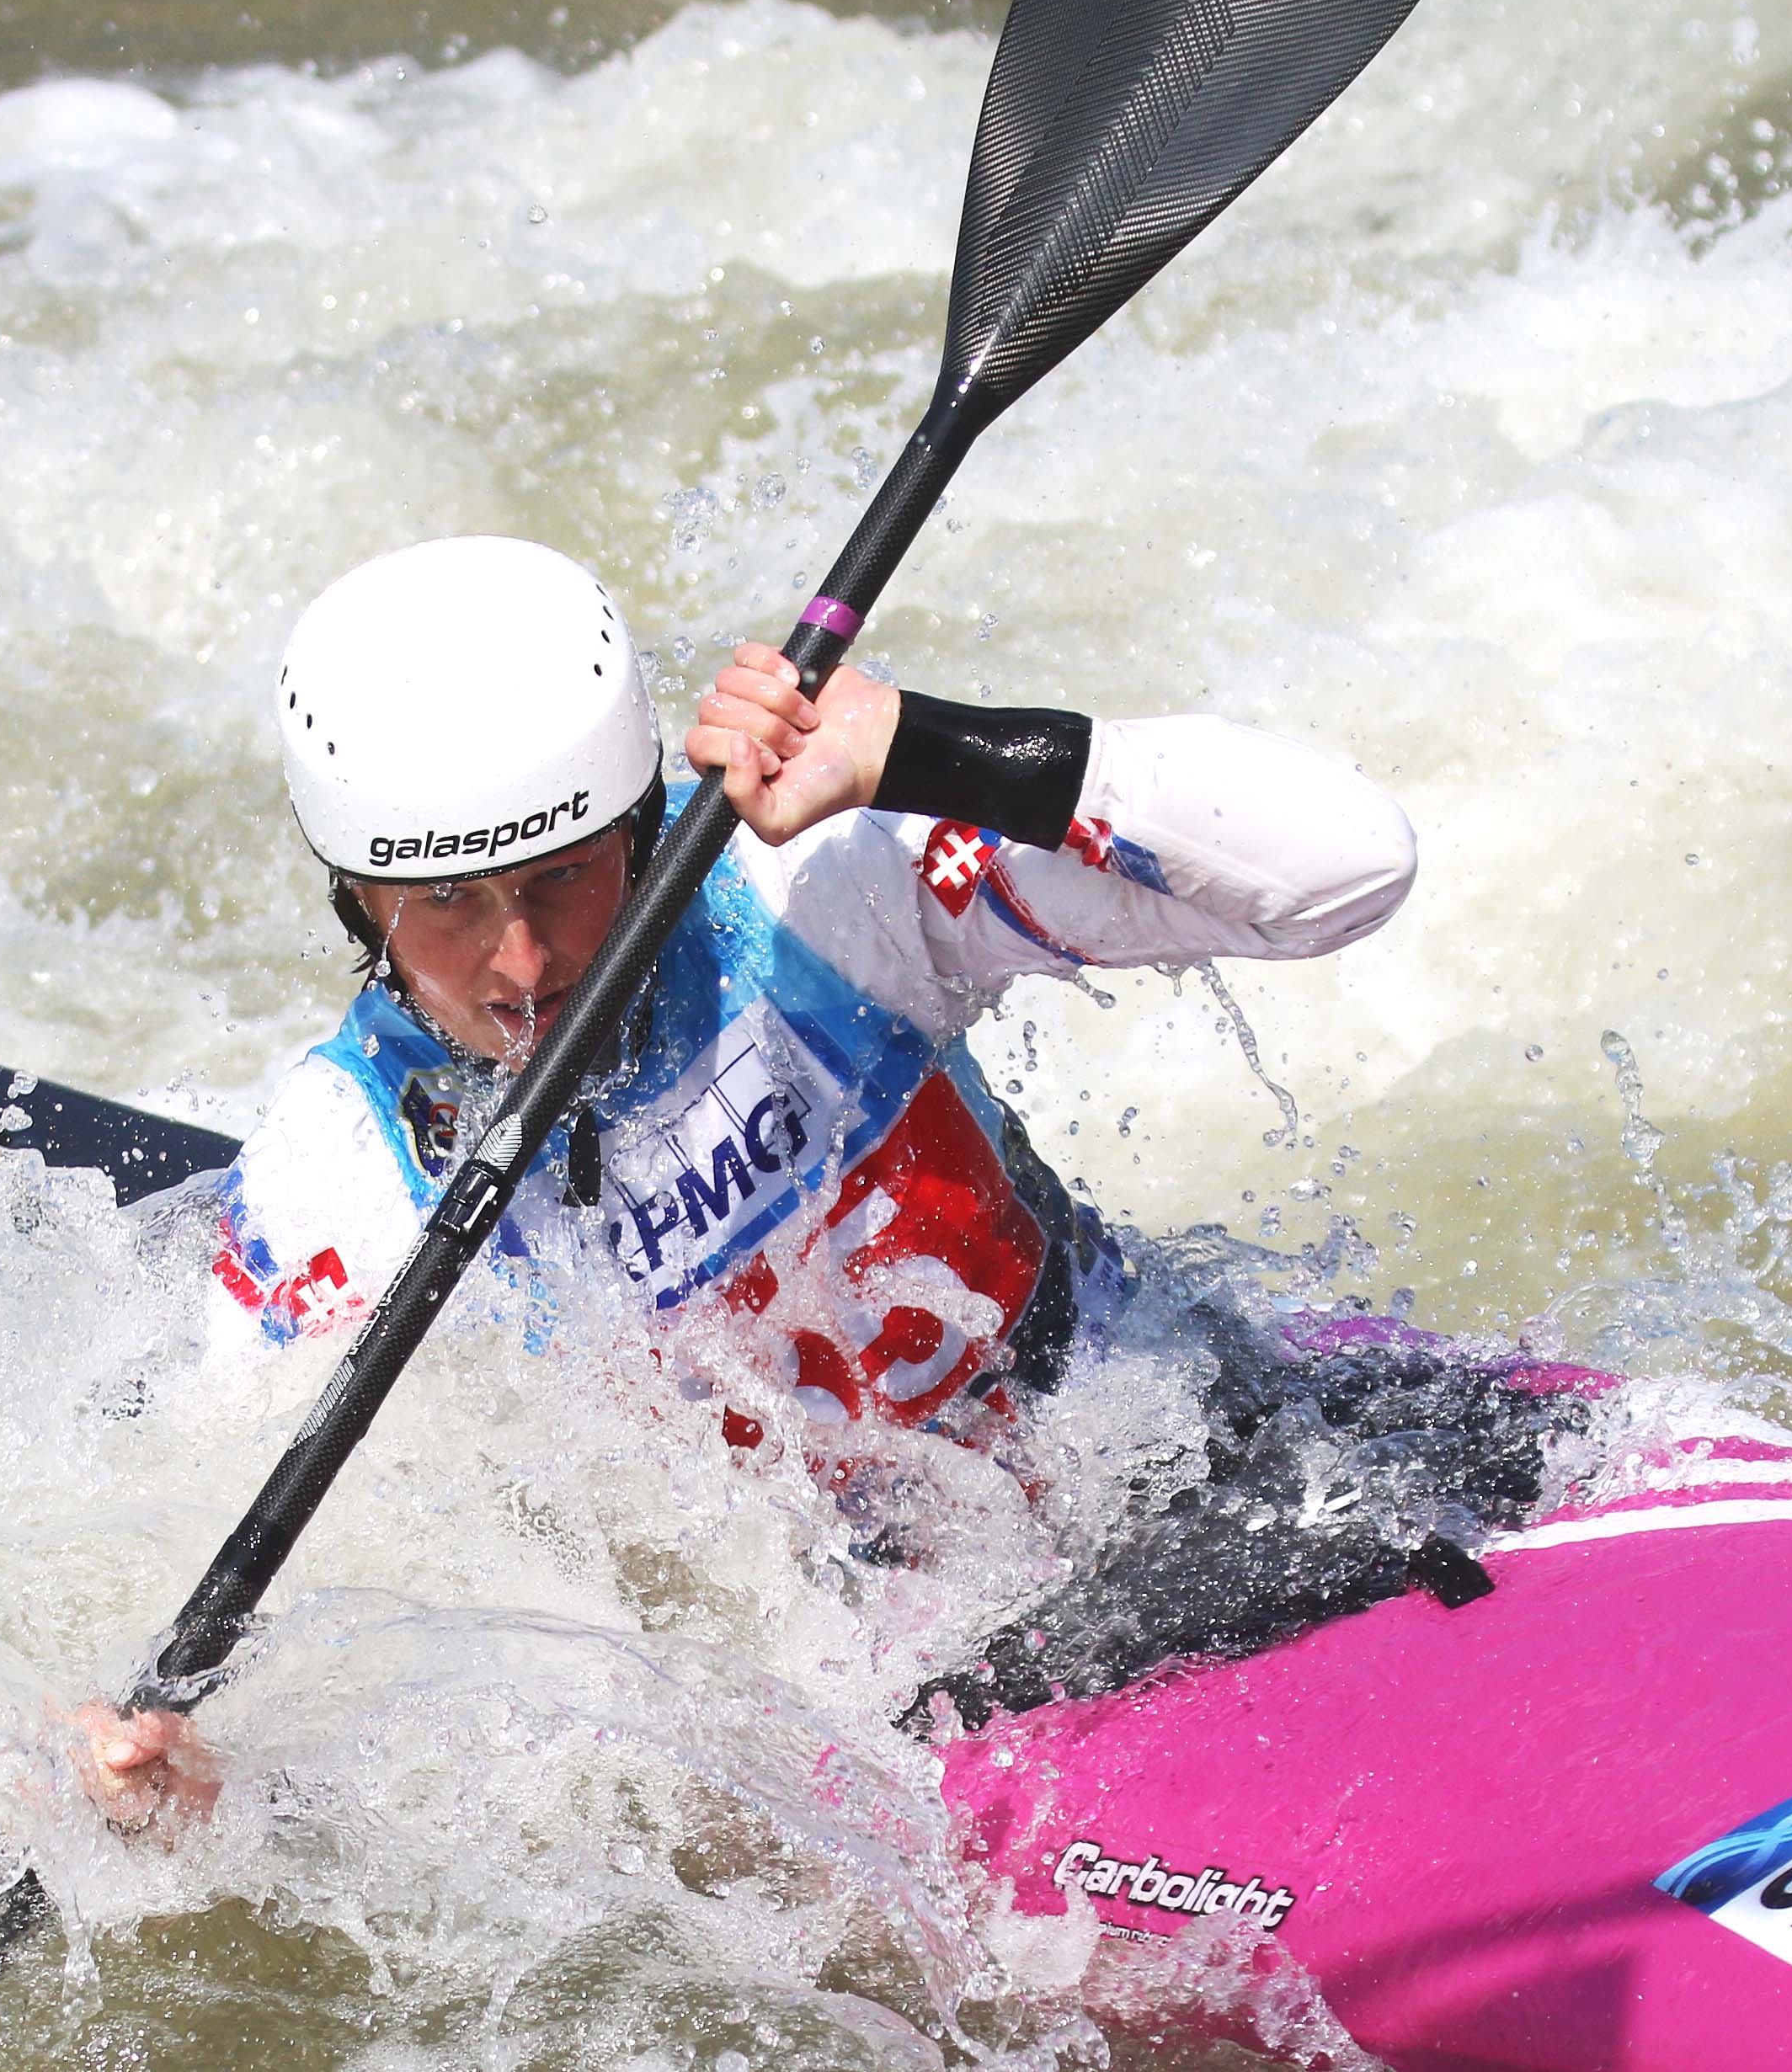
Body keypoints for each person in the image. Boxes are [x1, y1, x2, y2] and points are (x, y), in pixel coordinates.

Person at [77, 532, 1424, 1832]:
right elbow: (279, 1616)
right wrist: (202, 1778)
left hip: (1191, 1439)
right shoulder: (345, 1175)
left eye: (562, 881)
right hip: (902, 1682)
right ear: (358, 905)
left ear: (644, 822)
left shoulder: (814, 889)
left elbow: (1348, 871)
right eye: (449, 908)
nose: (525, 966)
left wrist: (922, 747)